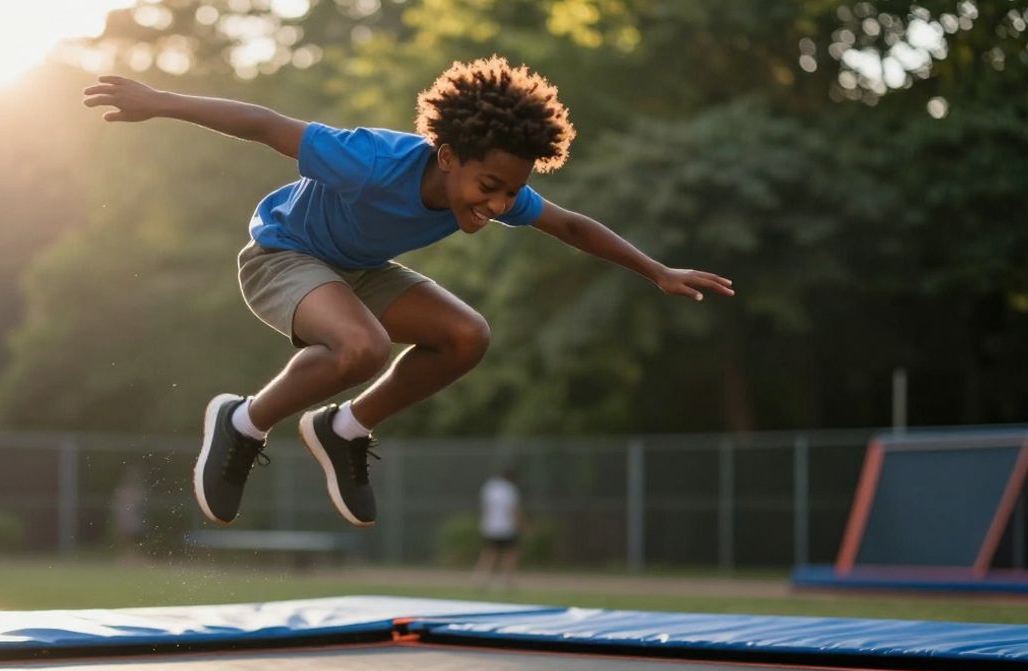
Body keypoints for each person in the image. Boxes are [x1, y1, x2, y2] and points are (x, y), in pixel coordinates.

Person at [82, 56, 734, 529]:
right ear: (447, 155)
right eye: (490, 186)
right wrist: (160, 101)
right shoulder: (370, 160)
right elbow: (262, 122)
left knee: (466, 335)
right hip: (284, 255)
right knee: (360, 347)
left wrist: (656, 271)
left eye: (510, 191)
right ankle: (243, 423)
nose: (500, 204)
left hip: (359, 267)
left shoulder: (493, 187)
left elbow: (567, 224)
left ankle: (345, 430)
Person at [473, 468, 523, 590]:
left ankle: (481, 580)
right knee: (510, 555)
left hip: (490, 526)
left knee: (489, 554)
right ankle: (507, 582)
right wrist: (520, 524)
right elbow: (512, 510)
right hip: (506, 527)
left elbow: (485, 507)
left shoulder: (490, 488)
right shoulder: (510, 489)